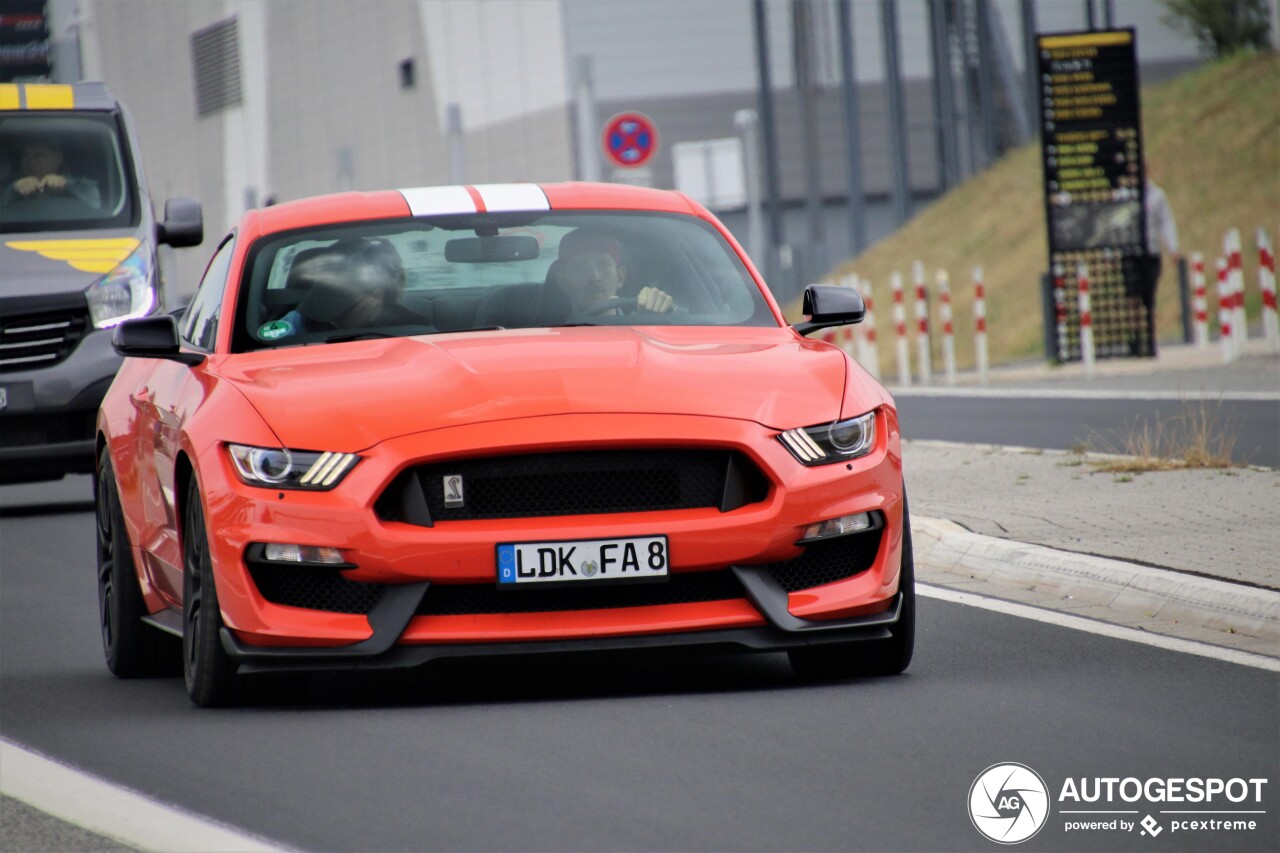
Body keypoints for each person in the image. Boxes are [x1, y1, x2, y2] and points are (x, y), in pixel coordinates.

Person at [272, 238, 428, 337]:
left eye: (341, 310)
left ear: (375, 297)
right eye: (323, 299)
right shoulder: (300, 322)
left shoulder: (413, 329)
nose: (331, 318)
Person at [551, 229, 674, 317]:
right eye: (580, 267)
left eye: (603, 264)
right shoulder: (547, 339)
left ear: (620, 277)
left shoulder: (645, 324)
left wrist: (666, 310)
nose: (594, 277)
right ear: (563, 279)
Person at [1133, 175, 1181, 356]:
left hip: (1151, 251)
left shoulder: (1156, 196)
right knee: (1132, 298)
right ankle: (1136, 339)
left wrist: (1173, 248)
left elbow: (1166, 222)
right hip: (1130, 253)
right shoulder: (1124, 195)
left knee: (1149, 298)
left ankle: (1150, 340)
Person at [3, 139, 100, 208]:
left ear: (58, 158)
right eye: (25, 156)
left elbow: (98, 205)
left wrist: (66, 186)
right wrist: (14, 190)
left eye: (39, 155)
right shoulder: (9, 185)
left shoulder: (80, 185)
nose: (31, 162)